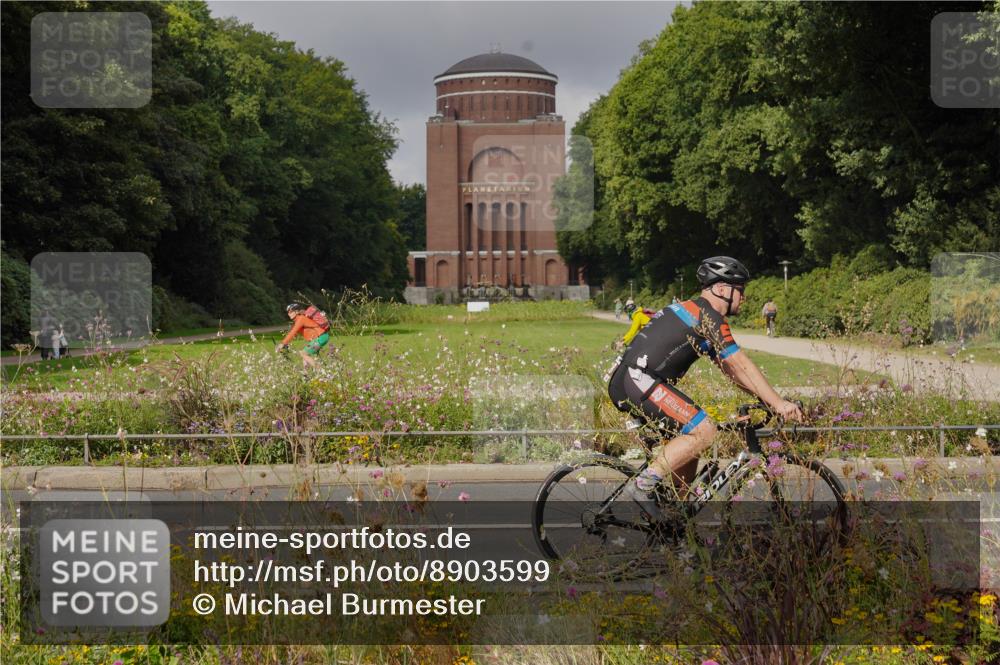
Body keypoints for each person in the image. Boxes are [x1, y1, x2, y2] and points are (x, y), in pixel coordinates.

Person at [607, 256, 803, 518]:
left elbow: (731, 370)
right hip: (638, 378)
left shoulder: (696, 312)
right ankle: (643, 485)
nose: (743, 297)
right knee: (704, 431)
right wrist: (779, 403)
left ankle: (673, 520)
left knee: (691, 444)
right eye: (740, 290)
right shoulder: (708, 316)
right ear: (721, 289)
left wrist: (767, 399)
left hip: (634, 379)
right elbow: (740, 363)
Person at [276, 303, 330, 368]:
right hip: (321, 337)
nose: (288, 314)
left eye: (290, 312)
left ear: (296, 312)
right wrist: (286, 345)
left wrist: (282, 343)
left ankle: (321, 371)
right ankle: (306, 375)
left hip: (321, 337)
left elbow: (293, 332)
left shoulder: (301, 319)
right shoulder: (298, 320)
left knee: (303, 353)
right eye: (288, 312)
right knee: (305, 358)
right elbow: (294, 335)